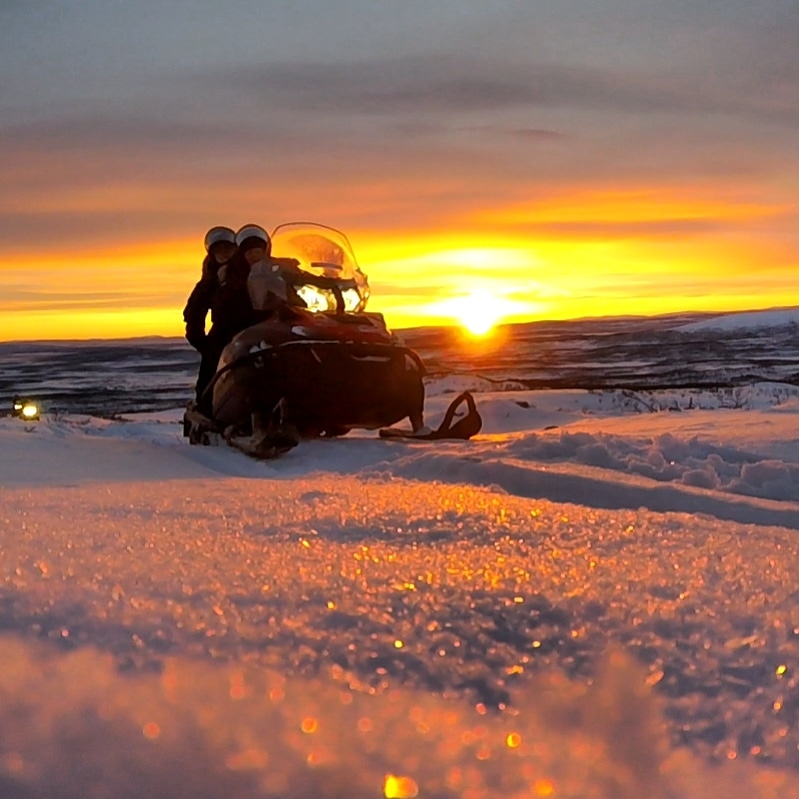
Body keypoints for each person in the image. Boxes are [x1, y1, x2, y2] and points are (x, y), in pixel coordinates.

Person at [183, 225, 258, 413]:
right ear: (212, 253)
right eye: (219, 250)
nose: (224, 253)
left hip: (258, 327)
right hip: (225, 332)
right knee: (212, 369)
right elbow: (194, 310)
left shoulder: (252, 270)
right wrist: (200, 340)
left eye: (228, 249)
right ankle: (207, 411)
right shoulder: (210, 279)